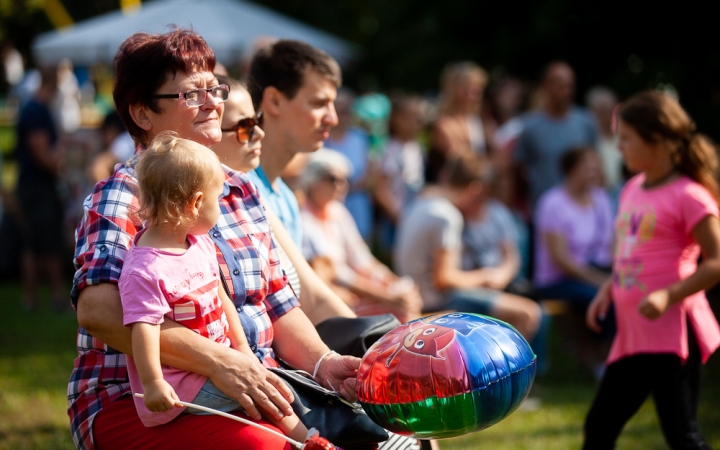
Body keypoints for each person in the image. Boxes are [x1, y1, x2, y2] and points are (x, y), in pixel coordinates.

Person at [69, 29, 359, 450]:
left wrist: (324, 363)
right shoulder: (127, 193)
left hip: (252, 391)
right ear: (143, 114)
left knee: (391, 431)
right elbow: (98, 312)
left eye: (214, 88)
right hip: (140, 402)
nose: (211, 103)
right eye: (191, 94)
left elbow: (278, 303)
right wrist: (223, 361)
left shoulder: (241, 188)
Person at [119, 133, 307, 439]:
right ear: (195, 203)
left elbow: (221, 296)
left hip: (214, 365)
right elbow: (143, 330)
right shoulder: (146, 269)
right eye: (217, 198)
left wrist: (243, 349)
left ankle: (307, 438)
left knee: (270, 388)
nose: (221, 208)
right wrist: (153, 384)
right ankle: (311, 441)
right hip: (182, 384)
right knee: (271, 395)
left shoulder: (198, 242)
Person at [584, 91, 720, 449]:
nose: (619, 147)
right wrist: (608, 289)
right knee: (599, 427)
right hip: (634, 334)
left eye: (626, 138)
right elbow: (629, 251)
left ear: (657, 141)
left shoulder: (689, 195)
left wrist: (668, 294)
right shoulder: (631, 188)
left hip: (673, 333)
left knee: (682, 435)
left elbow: (717, 262)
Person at [394, 153, 542, 342]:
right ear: (476, 189)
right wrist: (485, 277)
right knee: (528, 314)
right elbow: (444, 279)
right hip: (435, 303)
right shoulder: (447, 216)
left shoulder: (421, 202)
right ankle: (506, 371)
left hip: (417, 295)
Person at [300, 148, 423, 323]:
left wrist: (394, 285)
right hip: (332, 300)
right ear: (312, 180)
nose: (341, 186)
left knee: (403, 300)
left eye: (345, 180)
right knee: (397, 312)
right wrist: (387, 296)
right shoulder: (304, 219)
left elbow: (362, 260)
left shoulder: (337, 212)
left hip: (351, 292)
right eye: (333, 179)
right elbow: (333, 274)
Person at [246, 39, 341, 249]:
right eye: (318, 103)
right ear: (274, 101)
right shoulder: (236, 192)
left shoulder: (287, 200)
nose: (332, 119)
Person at [14, 66, 66, 312]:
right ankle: (44, 297)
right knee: (42, 243)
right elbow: (40, 151)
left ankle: (36, 298)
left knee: (40, 242)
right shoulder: (36, 109)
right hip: (37, 186)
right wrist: (60, 169)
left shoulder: (37, 107)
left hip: (35, 184)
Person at [534, 147, 613, 307]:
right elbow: (560, 258)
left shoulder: (601, 198)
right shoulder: (552, 203)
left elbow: (612, 242)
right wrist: (598, 280)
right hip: (559, 281)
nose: (594, 173)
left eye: (596, 168)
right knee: (606, 302)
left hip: (595, 270)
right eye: (588, 169)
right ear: (570, 170)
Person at [513, 61, 598, 208]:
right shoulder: (530, 127)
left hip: (581, 211)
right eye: (559, 85)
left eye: (569, 85)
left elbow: (596, 165)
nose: (565, 91)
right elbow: (518, 171)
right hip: (543, 211)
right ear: (545, 86)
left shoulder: (586, 122)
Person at [427, 61, 491, 183]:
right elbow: (460, 160)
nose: (473, 92)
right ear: (452, 88)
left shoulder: (479, 120)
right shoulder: (442, 123)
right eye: (467, 86)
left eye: (477, 87)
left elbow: (499, 156)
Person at [324, 88, 374, 241]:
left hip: (358, 205)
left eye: (347, 110)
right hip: (327, 206)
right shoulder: (321, 140)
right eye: (340, 110)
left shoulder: (361, 138)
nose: (343, 115)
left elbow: (371, 173)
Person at [586, 86, 623, 189]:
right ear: (592, 112)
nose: (608, 114)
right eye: (603, 110)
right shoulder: (588, 140)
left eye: (611, 109)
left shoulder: (623, 137)